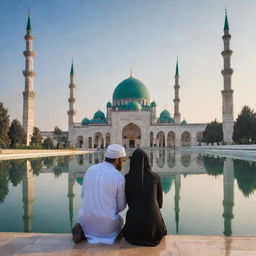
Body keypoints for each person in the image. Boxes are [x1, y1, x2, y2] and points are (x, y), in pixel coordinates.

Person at [72, 144, 127, 244]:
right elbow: (122, 206)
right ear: (117, 160)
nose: (123, 164)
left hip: (87, 223)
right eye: (123, 160)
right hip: (108, 227)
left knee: (84, 218)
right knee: (122, 220)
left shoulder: (90, 170)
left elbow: (83, 195)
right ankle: (115, 234)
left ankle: (83, 232)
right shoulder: (119, 177)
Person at [122, 148, 167, 246]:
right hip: (155, 232)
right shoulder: (155, 177)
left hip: (133, 232)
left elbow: (127, 202)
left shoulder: (127, 179)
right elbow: (160, 204)